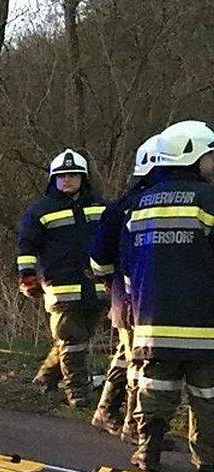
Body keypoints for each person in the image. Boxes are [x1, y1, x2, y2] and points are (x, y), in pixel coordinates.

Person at [92, 121, 214, 472]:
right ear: (191, 155)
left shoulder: (140, 204)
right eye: (209, 156)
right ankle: (206, 459)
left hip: (152, 323)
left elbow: (126, 265)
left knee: (155, 391)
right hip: (203, 323)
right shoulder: (208, 200)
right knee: (207, 397)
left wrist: (129, 303)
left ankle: (148, 454)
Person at [15, 149, 108, 407]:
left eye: (73, 175)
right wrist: (28, 276)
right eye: (61, 176)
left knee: (75, 338)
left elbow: (113, 241)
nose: (67, 180)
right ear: (53, 179)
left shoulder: (100, 206)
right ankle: (78, 394)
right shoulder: (40, 209)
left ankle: (45, 378)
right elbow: (26, 245)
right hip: (60, 286)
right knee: (73, 339)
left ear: (83, 178)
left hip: (96, 286)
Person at [89, 137, 157, 441]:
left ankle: (104, 411)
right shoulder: (133, 206)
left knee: (124, 353)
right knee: (137, 361)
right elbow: (101, 255)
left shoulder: (123, 205)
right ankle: (132, 424)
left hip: (125, 296)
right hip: (134, 298)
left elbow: (99, 259)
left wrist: (109, 282)